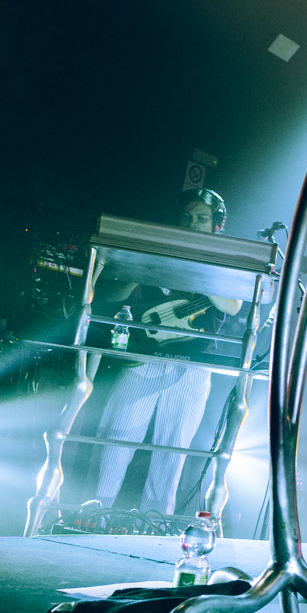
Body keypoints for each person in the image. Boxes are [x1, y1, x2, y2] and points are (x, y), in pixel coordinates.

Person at [91, 188, 242, 514]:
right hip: (143, 356)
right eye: (186, 217)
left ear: (216, 224)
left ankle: (158, 519)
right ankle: (95, 512)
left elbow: (232, 305)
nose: (192, 224)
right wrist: (141, 269)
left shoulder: (225, 258)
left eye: (201, 218)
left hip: (195, 363)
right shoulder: (156, 248)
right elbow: (110, 295)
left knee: (172, 451)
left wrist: (203, 268)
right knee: (115, 437)